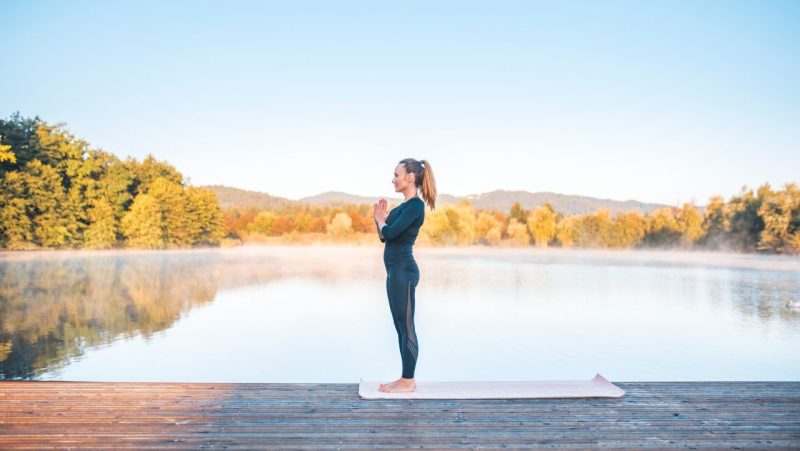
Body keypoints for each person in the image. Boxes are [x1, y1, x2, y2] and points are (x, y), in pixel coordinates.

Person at [373, 158, 437, 393]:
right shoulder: (402, 207)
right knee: (400, 326)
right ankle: (404, 378)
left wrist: (381, 221)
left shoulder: (415, 207)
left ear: (410, 178)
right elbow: (384, 235)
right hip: (395, 272)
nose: (393, 179)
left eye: (396, 175)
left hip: (404, 272)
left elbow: (389, 232)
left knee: (407, 326)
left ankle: (408, 380)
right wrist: (379, 221)